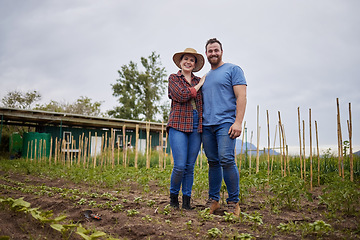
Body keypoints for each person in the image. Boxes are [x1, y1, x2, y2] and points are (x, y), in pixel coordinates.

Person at [201, 38, 247, 217]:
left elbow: (241, 97)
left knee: (227, 160)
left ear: (221, 51)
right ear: (206, 54)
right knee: (213, 162)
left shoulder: (233, 70)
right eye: (210, 51)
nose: (213, 53)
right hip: (207, 125)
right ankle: (213, 201)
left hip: (226, 123)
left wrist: (238, 122)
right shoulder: (206, 77)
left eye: (216, 50)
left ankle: (233, 203)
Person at [167, 48, 206, 210]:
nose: (188, 62)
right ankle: (173, 199)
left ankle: (187, 202)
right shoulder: (174, 78)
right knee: (180, 165)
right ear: (180, 62)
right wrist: (199, 86)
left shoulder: (199, 80)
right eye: (186, 59)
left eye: (192, 60)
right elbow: (182, 95)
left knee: (190, 166)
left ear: (195, 64)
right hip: (178, 123)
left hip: (196, 124)